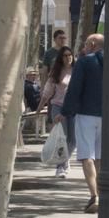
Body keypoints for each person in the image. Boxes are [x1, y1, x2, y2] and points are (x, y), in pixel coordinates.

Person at [62, 33, 106, 212]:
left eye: (86, 43)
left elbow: (74, 88)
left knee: (87, 154)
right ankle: (102, 195)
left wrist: (65, 112)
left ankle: (94, 195)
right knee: (100, 156)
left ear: (93, 44)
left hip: (86, 113)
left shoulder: (84, 62)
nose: (83, 47)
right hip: (108, 115)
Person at [39, 46, 75, 177]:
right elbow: (47, 93)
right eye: (65, 55)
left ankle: (64, 160)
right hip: (58, 107)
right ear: (61, 57)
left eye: (70, 55)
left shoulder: (77, 71)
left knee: (73, 140)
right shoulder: (56, 72)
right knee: (62, 138)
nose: (68, 57)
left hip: (73, 108)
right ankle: (60, 167)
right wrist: (39, 108)